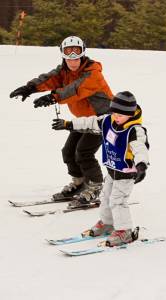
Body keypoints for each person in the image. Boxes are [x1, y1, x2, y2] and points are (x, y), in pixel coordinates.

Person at [10, 36, 113, 202]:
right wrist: (30, 88)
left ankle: (95, 185)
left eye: (76, 53)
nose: (72, 58)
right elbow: (49, 79)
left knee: (84, 152)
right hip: (82, 119)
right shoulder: (64, 71)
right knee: (68, 151)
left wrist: (53, 97)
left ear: (83, 54)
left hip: (103, 120)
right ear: (63, 55)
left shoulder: (93, 73)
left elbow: (75, 89)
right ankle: (79, 182)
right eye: (68, 52)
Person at [52, 91, 149, 247]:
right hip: (111, 170)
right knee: (106, 198)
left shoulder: (134, 131)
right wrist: (68, 124)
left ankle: (124, 231)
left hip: (126, 174)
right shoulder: (107, 121)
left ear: (130, 114)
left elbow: (140, 150)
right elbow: (89, 122)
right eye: (114, 113)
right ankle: (107, 223)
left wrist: (142, 166)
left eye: (121, 115)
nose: (116, 117)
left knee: (118, 201)